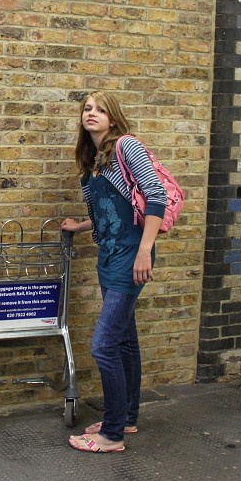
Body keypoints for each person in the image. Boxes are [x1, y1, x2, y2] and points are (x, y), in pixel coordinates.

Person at [61, 91, 168, 454]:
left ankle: (111, 434)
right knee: (123, 340)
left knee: (104, 345)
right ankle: (127, 417)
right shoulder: (91, 164)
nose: (92, 113)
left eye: (100, 109)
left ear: (114, 117)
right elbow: (105, 213)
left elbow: (156, 196)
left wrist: (144, 251)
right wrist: (79, 227)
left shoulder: (127, 146)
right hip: (108, 255)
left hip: (130, 256)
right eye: (87, 109)